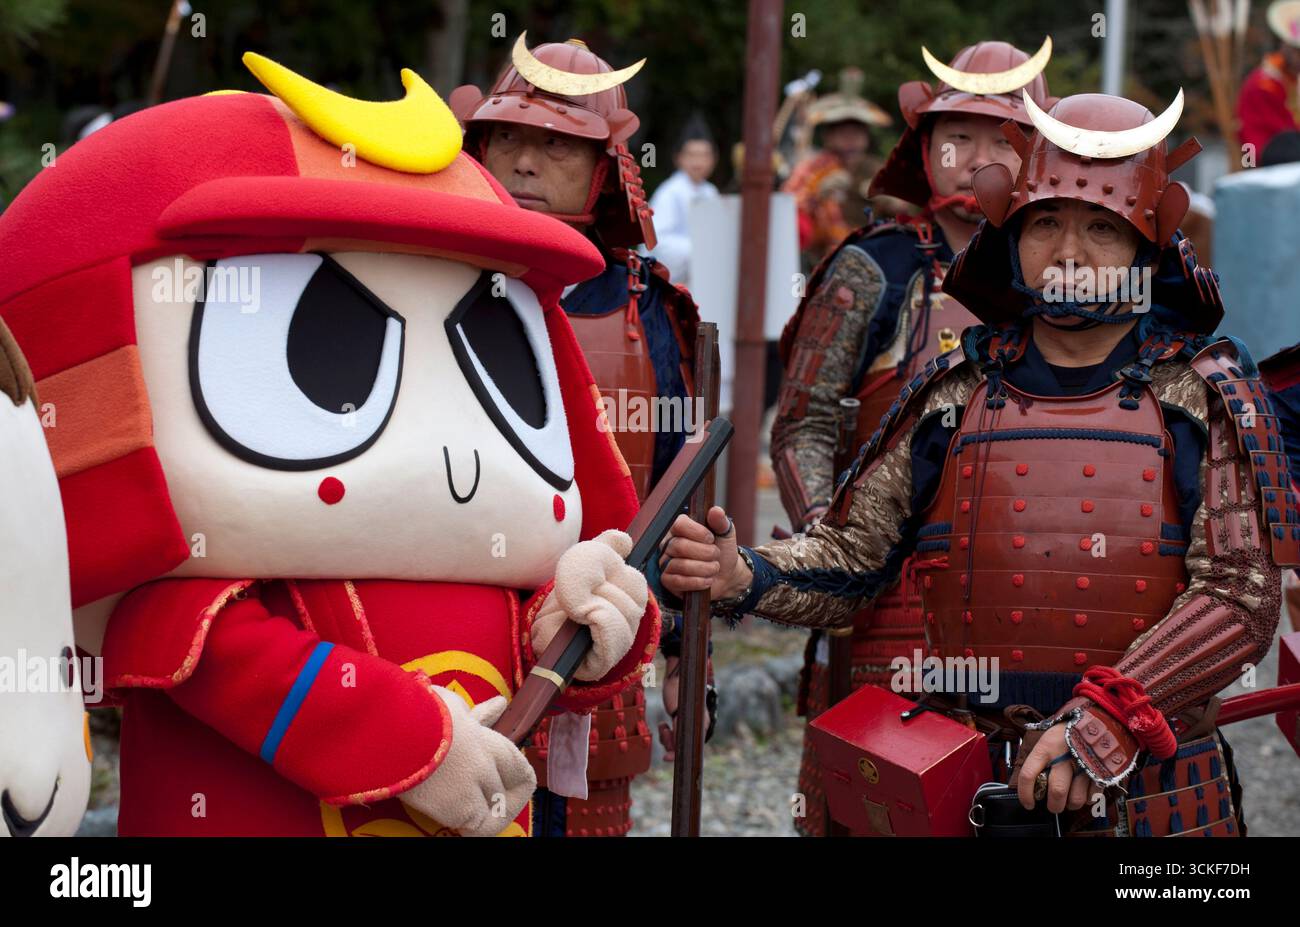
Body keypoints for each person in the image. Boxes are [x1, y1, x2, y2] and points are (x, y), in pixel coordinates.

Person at [0, 52, 659, 837]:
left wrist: (575, 626)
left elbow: (533, 664)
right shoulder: (202, 598)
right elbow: (209, 652)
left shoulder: (648, 311)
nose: (452, 453)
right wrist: (419, 744)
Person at [664, 88, 1296, 837]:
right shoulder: (954, 392)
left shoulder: (1204, 393)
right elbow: (853, 557)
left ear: (1144, 244)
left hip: (1155, 797)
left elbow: (1239, 595)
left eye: (1101, 226)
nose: (1069, 250)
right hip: (973, 785)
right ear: (1010, 232)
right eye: (1046, 222)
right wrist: (747, 575)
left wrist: (1109, 716)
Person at [769, 38, 1053, 837]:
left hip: (1035, 591)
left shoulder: (1066, 270)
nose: (978, 158)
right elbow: (804, 421)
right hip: (890, 593)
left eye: (1004, 138)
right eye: (955, 138)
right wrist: (835, 549)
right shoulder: (874, 267)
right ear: (923, 149)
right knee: (875, 808)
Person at [452, 34, 709, 837]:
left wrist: (683, 661)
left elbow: (673, 497)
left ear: (604, 171)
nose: (526, 163)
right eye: (510, 138)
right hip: (451, 636)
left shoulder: (653, 311)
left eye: (557, 144)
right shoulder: (422, 272)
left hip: (602, 644)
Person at [782, 67, 894, 267]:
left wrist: (893, 202)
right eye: (843, 133)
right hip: (819, 261)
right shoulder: (813, 169)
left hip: (873, 258)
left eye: (857, 133)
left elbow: (905, 211)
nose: (851, 140)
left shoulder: (877, 168)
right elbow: (787, 209)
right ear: (828, 137)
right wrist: (817, 194)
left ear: (866, 137)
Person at [645, 113, 720, 288]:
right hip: (676, 279)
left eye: (704, 155)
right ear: (679, 158)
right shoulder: (669, 192)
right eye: (692, 155)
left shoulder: (711, 192)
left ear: (713, 160)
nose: (698, 162)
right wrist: (700, 251)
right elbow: (658, 242)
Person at [1237, 0, 1300, 159]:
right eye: (1297, 50)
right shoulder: (1264, 84)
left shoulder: (1291, 79)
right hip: (1266, 160)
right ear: (1285, 45)